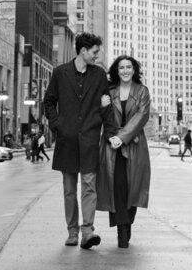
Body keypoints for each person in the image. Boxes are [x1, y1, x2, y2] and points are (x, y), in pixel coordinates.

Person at [43, 32, 112, 249]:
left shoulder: (100, 75)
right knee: (69, 189)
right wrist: (58, 125)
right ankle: (72, 231)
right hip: (67, 140)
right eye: (95, 52)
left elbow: (106, 106)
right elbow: (49, 102)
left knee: (89, 186)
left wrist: (103, 112)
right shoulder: (60, 73)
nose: (97, 55)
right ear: (83, 51)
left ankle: (87, 231)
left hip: (90, 139)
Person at [96, 55, 152, 249]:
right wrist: (103, 109)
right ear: (116, 71)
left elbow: (141, 116)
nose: (126, 70)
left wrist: (123, 137)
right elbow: (104, 117)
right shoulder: (109, 92)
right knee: (117, 187)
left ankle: (127, 223)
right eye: (122, 68)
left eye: (129, 67)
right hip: (112, 147)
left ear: (134, 70)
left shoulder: (142, 91)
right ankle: (122, 231)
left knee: (132, 189)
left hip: (134, 146)